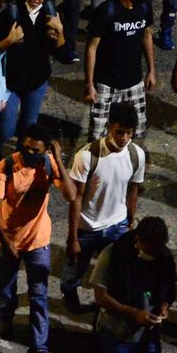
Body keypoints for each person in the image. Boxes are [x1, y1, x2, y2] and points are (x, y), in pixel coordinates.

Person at [0, 123, 78, 353]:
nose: (29, 154)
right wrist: (7, 242)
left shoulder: (49, 164)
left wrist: (58, 159)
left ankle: (39, 348)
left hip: (38, 241)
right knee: (6, 293)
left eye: (36, 150)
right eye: (26, 148)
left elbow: (70, 196)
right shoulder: (6, 166)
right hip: (8, 241)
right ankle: (6, 321)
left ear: (46, 149)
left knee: (39, 295)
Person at [61, 104, 145, 312]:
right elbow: (76, 198)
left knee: (116, 272)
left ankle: (105, 307)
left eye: (129, 133)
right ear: (109, 127)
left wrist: (129, 223)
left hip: (117, 225)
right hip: (88, 227)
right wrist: (73, 237)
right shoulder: (87, 156)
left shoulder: (137, 155)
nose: (124, 138)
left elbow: (133, 190)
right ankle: (70, 296)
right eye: (120, 132)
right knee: (75, 270)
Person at [87, 215, 175, 353]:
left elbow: (169, 290)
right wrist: (134, 313)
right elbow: (101, 296)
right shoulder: (113, 254)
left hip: (148, 335)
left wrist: (164, 307)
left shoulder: (164, 258)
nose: (153, 254)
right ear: (138, 240)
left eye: (156, 250)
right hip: (118, 333)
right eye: (150, 250)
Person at [0, 0, 64, 155]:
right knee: (6, 129)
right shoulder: (11, 14)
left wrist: (59, 30)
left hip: (36, 82)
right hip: (9, 82)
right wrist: (9, 40)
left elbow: (62, 53)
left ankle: (21, 164)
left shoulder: (51, 17)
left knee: (27, 130)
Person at [85, 0, 155, 140]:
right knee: (98, 135)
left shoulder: (144, 7)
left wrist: (151, 70)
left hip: (134, 81)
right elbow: (91, 48)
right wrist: (89, 84)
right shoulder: (106, 11)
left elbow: (147, 36)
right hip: (106, 83)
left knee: (134, 132)